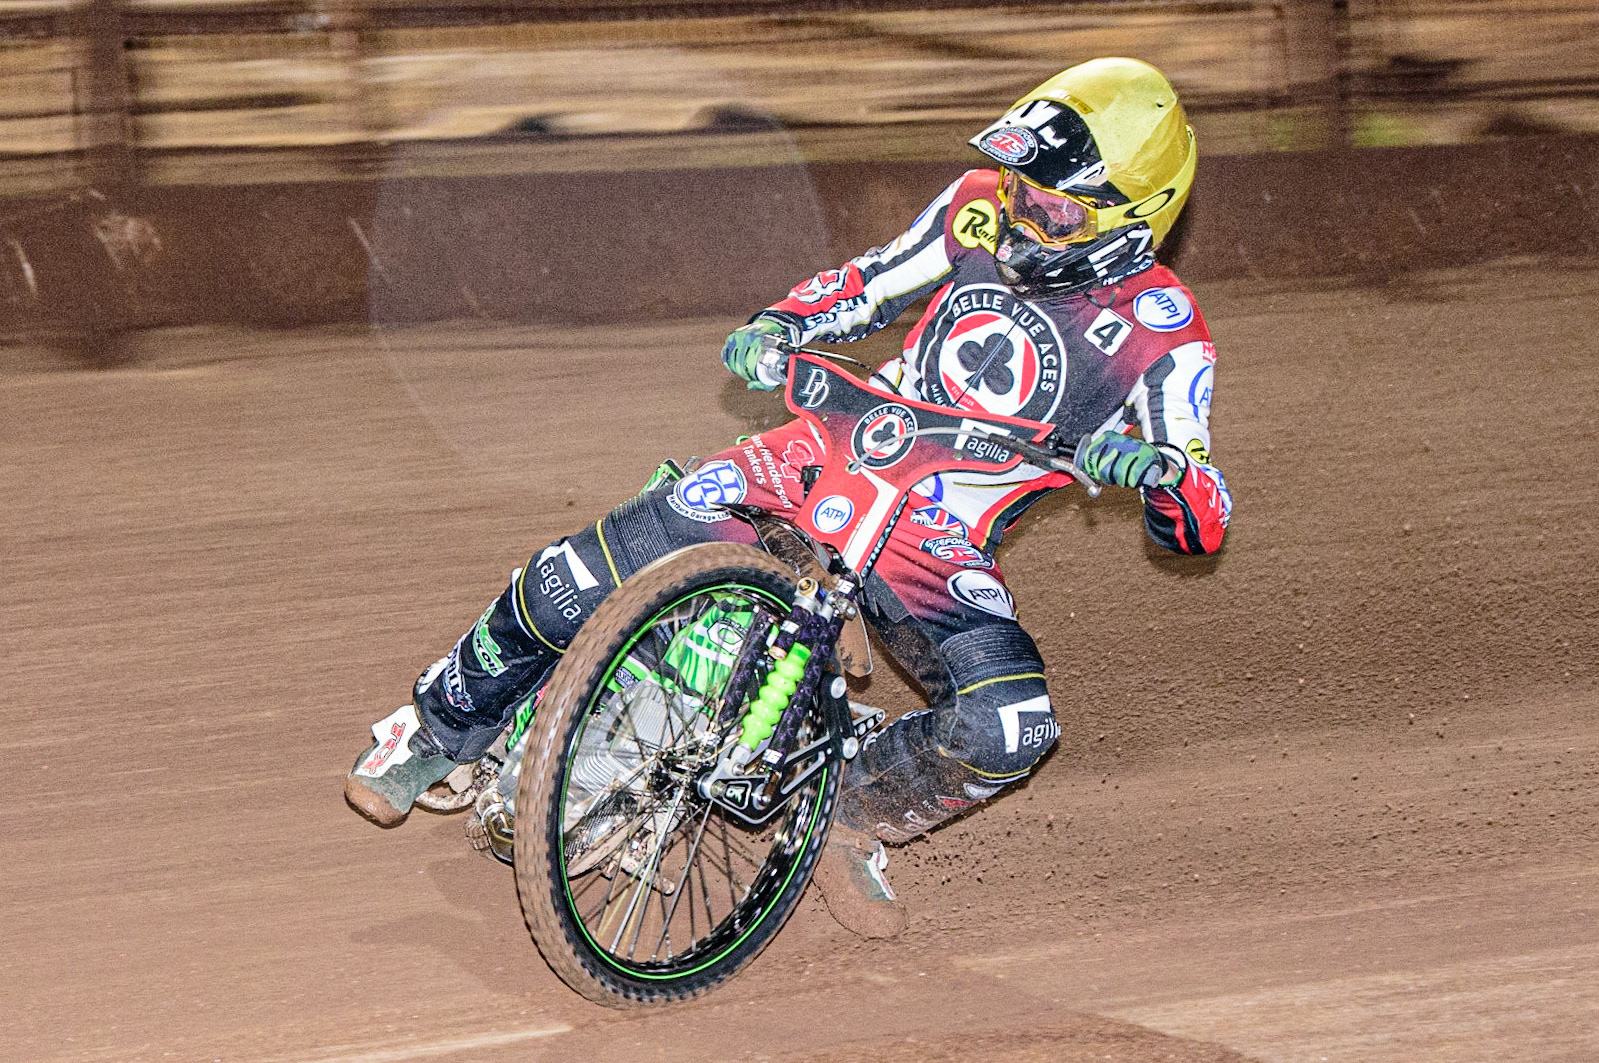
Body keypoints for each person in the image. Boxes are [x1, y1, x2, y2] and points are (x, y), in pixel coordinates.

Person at [346, 56, 1231, 940]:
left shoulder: (1164, 335)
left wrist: (1158, 474)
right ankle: (437, 727)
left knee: (1011, 723)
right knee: (580, 571)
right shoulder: (977, 205)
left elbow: (1201, 508)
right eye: (1020, 180)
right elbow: (873, 279)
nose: (1022, 206)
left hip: (937, 536)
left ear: (1130, 218)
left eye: (1054, 203)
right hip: (830, 444)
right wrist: (782, 324)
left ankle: (843, 815)